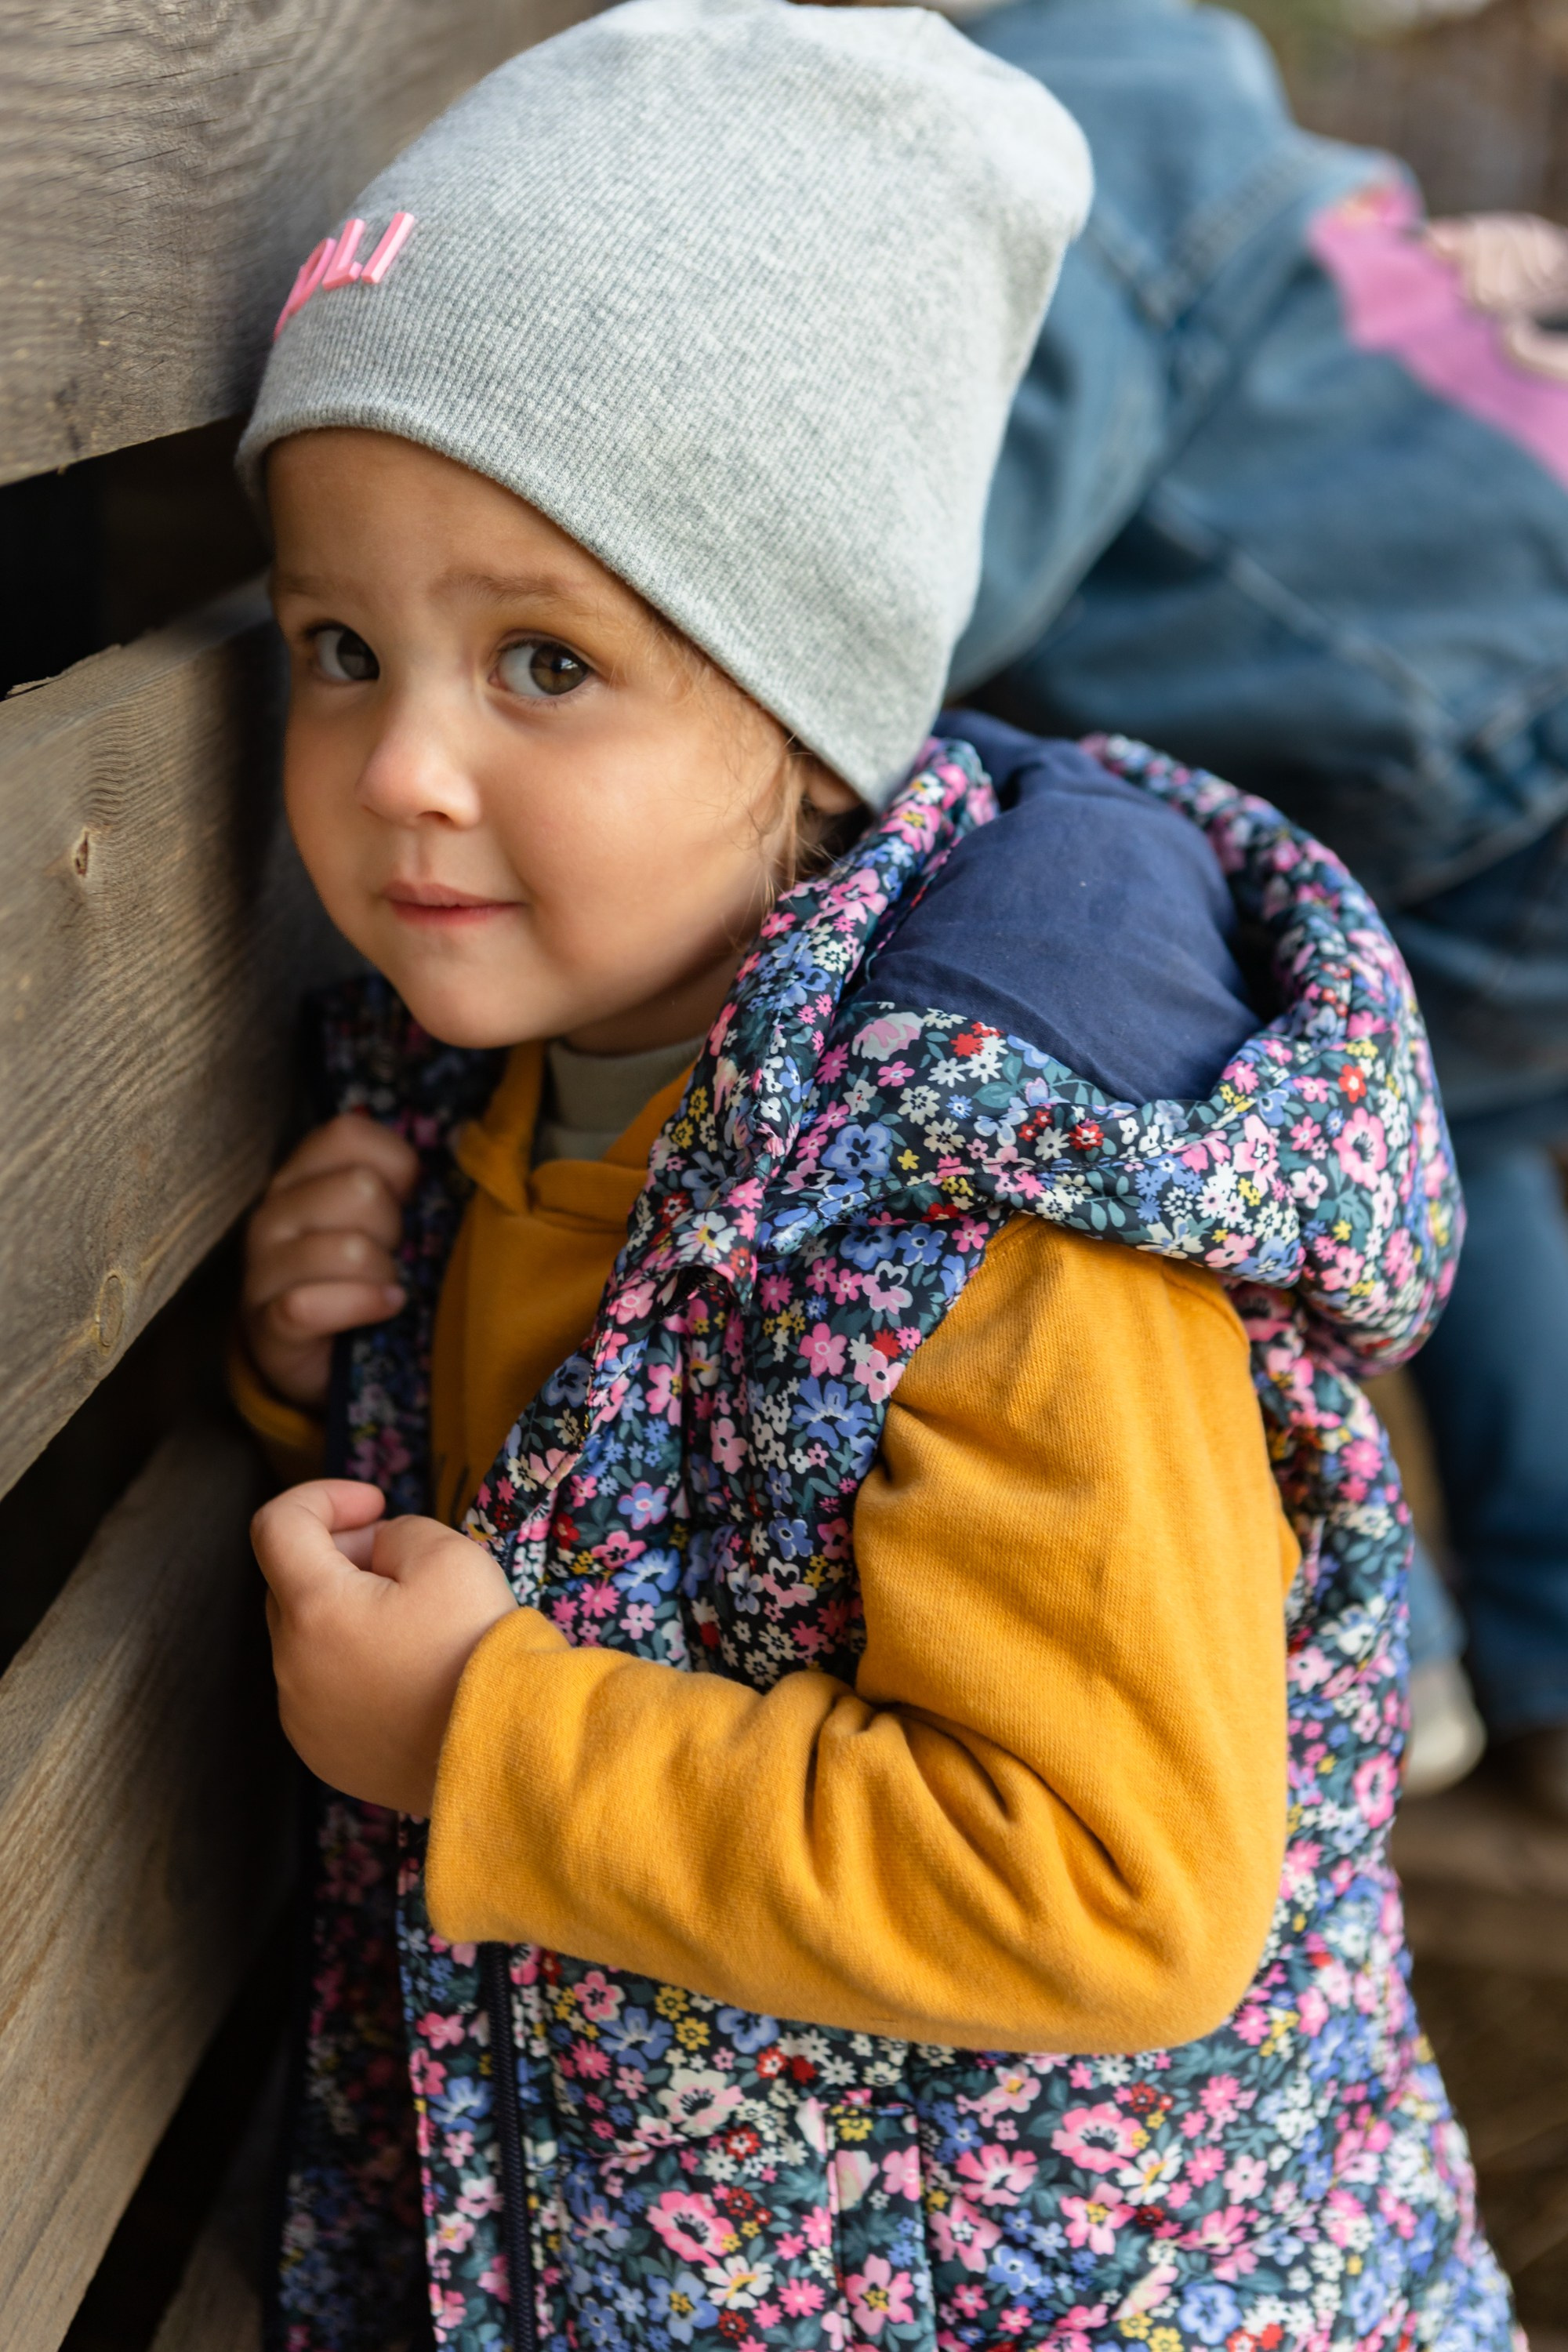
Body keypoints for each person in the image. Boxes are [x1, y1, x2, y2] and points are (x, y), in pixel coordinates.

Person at [230, 4, 1512, 2347]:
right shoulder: (553, 1066)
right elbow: (629, 1512)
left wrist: (476, 1744)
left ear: (804, 708)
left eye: (539, 659)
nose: (400, 763)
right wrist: (338, 1362)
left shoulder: (1000, 1211)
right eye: (335, 644)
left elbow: (1115, 1895)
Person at [944, 0, 1568, 1809]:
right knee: (1471, 1135)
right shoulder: (1188, 86)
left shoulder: (1059, 134)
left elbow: (960, 562)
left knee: (1177, 1036)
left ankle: (1388, 1671)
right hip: (1498, 733)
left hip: (1502, 763)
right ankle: (1545, 1638)